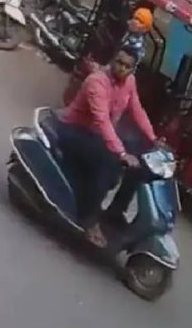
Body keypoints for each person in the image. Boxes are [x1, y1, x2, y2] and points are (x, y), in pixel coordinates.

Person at [56, 46, 162, 247]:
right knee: (107, 164)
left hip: (97, 134)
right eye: (119, 63)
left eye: (127, 66)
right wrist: (121, 153)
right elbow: (101, 121)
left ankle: (116, 211)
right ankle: (89, 220)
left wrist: (153, 138)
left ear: (133, 69)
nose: (122, 68)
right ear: (113, 61)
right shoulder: (97, 82)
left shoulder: (129, 82)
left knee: (140, 157)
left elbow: (137, 110)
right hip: (74, 131)